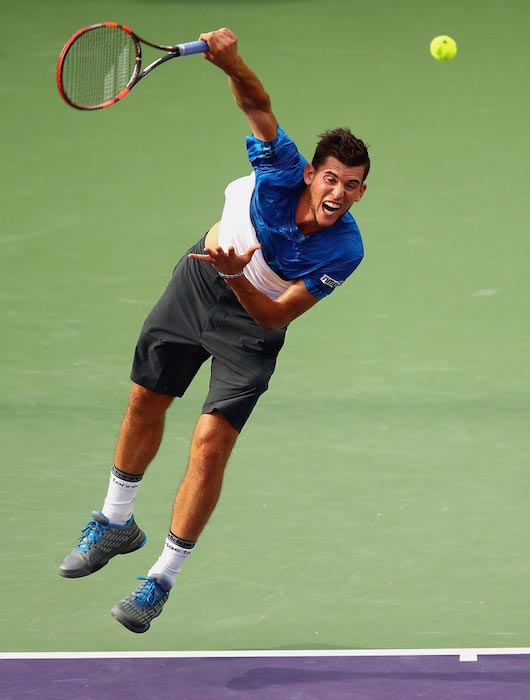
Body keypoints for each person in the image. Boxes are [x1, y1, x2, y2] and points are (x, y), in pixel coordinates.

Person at [58, 27, 370, 634]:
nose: (339, 194)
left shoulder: (345, 249)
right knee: (145, 399)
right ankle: (115, 521)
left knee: (209, 444)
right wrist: (231, 62)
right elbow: (257, 104)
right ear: (311, 174)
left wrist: (238, 277)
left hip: (250, 324)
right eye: (331, 178)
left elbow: (275, 316)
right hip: (197, 283)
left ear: (362, 190)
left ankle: (161, 579)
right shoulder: (280, 168)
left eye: (352, 185)